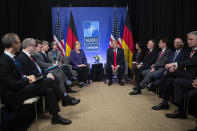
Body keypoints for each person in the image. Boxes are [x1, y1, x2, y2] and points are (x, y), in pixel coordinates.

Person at [0, 33, 72, 126]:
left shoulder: (12, 58)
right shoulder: (3, 62)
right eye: (19, 43)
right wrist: (27, 79)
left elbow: (19, 77)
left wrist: (27, 78)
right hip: (15, 94)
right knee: (50, 80)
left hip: (22, 87)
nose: (21, 45)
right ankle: (65, 98)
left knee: (49, 90)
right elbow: (13, 85)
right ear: (13, 44)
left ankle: (56, 117)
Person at [16, 38, 80, 106]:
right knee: (53, 80)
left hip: (40, 76)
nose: (35, 47)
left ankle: (63, 102)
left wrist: (47, 74)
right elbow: (32, 73)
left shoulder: (30, 56)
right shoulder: (22, 57)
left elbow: (38, 69)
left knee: (54, 80)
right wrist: (46, 75)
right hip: (33, 82)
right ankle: (65, 98)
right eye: (35, 46)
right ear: (29, 46)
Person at [161, 31, 197, 119]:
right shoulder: (190, 50)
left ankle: (178, 109)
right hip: (188, 74)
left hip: (193, 77)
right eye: (188, 39)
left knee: (171, 75)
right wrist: (175, 66)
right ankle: (167, 103)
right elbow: (184, 62)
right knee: (170, 78)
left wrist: (174, 65)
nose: (188, 41)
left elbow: (191, 62)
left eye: (191, 39)